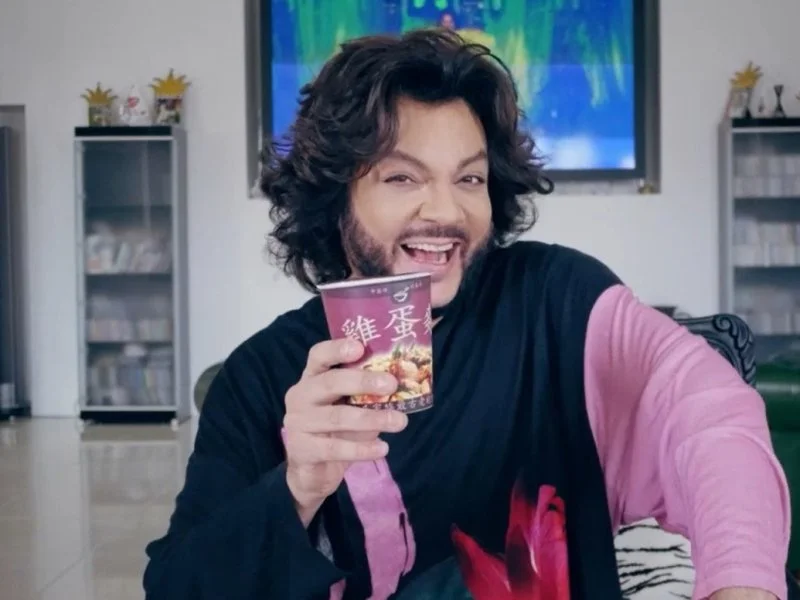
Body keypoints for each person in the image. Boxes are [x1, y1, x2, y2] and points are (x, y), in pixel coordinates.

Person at [143, 29, 795, 600]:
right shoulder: (262, 377)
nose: (446, 211)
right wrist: (297, 488)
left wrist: (743, 583)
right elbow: (177, 585)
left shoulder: (554, 300)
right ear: (336, 198)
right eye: (401, 177)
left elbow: (708, 410)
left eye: (470, 178)